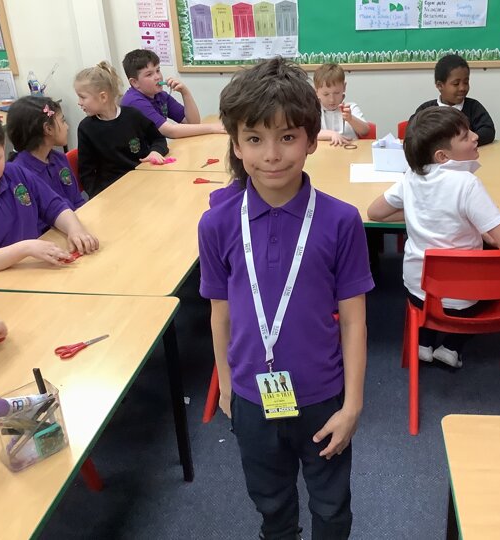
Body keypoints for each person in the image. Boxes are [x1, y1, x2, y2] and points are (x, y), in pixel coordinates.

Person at [198, 57, 373, 540]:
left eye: (288, 137)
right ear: (236, 144)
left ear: (312, 140)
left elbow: (354, 321)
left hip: (322, 396)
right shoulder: (216, 225)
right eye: (254, 139)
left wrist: (353, 405)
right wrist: (228, 387)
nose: (272, 155)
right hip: (252, 396)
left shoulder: (341, 221)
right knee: (271, 505)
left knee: (332, 508)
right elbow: (219, 315)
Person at [367, 107, 500, 368]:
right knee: (496, 282)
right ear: (442, 156)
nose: (475, 137)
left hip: (417, 292)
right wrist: (487, 234)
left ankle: (424, 340)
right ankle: (452, 346)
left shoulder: (412, 177)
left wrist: (419, 212)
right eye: (465, 136)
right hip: (463, 301)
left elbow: (375, 212)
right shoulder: (467, 184)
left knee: (432, 295)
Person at [0, 106, 98, 303]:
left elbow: (55, 206)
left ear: (4, 146)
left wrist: (75, 229)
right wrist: (24, 249)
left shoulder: (15, 173)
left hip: (34, 276)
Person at [74, 61, 169, 197]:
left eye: (82, 97)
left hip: (145, 183)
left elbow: (158, 139)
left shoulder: (133, 115)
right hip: (113, 193)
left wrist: (155, 152)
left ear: (103, 97)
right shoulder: (86, 128)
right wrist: (100, 197)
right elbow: (86, 174)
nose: (79, 102)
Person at [7, 96, 85, 233]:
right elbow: (34, 224)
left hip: (75, 227)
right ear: (48, 129)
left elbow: (77, 201)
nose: (67, 127)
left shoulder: (59, 159)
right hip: (49, 237)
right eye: (63, 121)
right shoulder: (19, 174)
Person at [120, 49, 225, 138]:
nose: (158, 77)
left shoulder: (161, 95)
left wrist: (185, 92)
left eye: (158, 70)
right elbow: (171, 131)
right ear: (134, 82)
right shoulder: (134, 101)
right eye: (149, 74)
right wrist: (212, 128)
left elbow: (193, 122)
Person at [412, 54, 496, 146]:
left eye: (466, 82)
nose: (462, 88)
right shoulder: (426, 110)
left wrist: (464, 142)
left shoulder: (473, 107)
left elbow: (488, 131)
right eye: (456, 84)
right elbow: (413, 134)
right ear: (440, 85)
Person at [314, 63, 370, 146]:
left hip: (350, 150)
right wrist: (332, 134)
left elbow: (365, 131)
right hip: (324, 152)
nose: (332, 99)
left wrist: (351, 119)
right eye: (326, 94)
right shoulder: (314, 110)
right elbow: (308, 133)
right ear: (316, 91)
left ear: (344, 87)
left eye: (336, 93)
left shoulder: (351, 108)